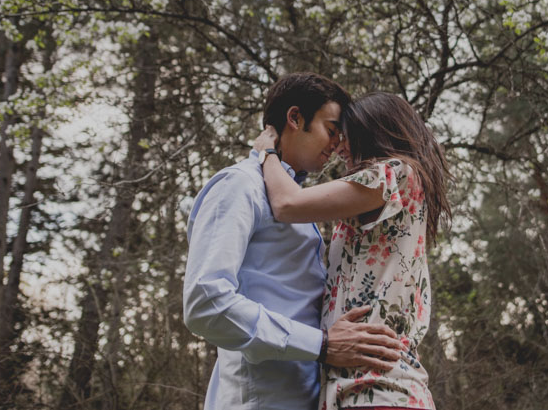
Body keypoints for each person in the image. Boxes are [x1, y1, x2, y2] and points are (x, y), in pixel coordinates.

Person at [183, 74, 404, 410]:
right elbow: (205, 301)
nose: (336, 145)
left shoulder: (298, 204)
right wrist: (322, 344)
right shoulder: (239, 185)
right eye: (331, 130)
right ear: (295, 118)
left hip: (310, 397)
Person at [253, 92, 452, 410]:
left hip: (376, 391)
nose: (339, 148)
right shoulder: (395, 192)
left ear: (373, 133)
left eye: (346, 136)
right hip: (366, 391)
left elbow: (287, 204)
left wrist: (266, 154)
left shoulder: (394, 174)